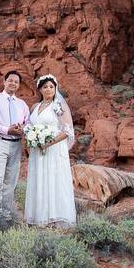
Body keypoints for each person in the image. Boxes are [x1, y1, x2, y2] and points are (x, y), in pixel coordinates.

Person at [24, 74, 76, 227]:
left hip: (53, 148)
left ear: (55, 89)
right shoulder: (35, 107)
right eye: (45, 87)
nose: (48, 89)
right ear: (40, 89)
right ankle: (39, 215)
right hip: (37, 149)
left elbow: (67, 130)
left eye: (51, 87)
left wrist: (48, 143)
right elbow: (29, 126)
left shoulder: (58, 106)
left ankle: (56, 216)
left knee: (54, 179)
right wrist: (32, 139)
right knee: (39, 178)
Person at [0, 70, 30, 221]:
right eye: (10, 80)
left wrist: (22, 130)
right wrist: (6, 129)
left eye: (16, 82)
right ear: (4, 82)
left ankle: (6, 214)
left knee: (11, 181)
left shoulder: (22, 104)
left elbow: (28, 123)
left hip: (16, 145)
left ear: (19, 85)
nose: (13, 83)